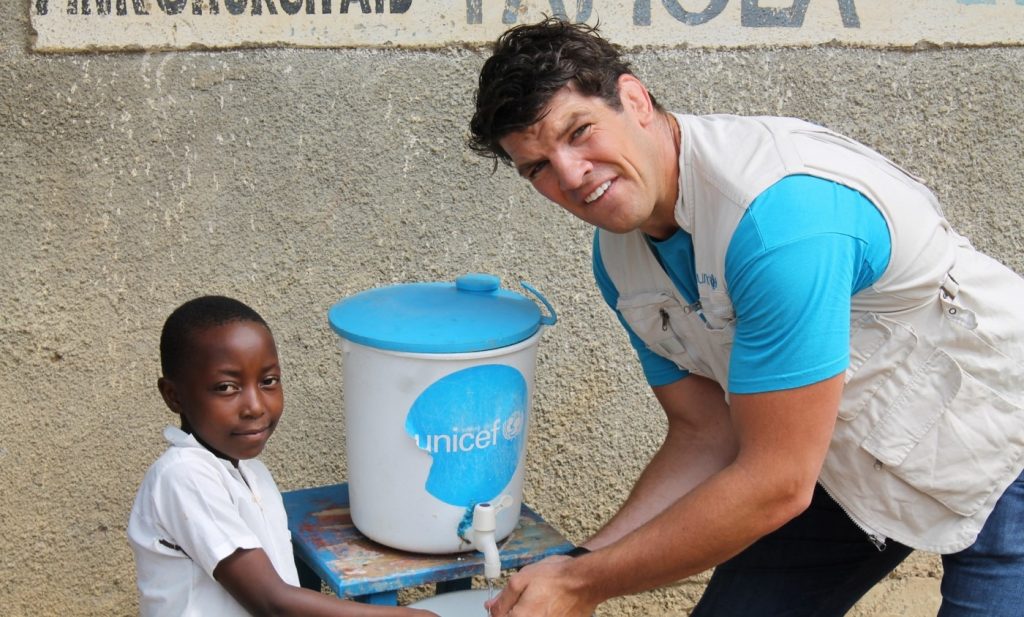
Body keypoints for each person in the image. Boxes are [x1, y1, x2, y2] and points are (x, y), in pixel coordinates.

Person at [468, 18, 1024, 617]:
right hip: (839, 457)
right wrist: (576, 566)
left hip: (998, 436)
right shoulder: (621, 258)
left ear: (634, 99)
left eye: (580, 133)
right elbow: (707, 432)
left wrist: (588, 584)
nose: (571, 175)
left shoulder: (778, 218)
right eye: (539, 168)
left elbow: (776, 484)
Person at [128, 295, 437, 617]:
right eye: (226, 387)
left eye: (268, 382)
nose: (255, 406)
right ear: (174, 396)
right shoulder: (184, 475)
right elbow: (272, 602)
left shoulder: (251, 472)